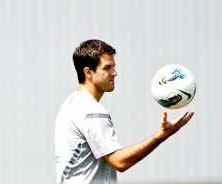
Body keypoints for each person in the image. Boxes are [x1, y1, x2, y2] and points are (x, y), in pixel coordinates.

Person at [55, 39, 194, 184]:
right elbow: (120, 162)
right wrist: (162, 135)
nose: (114, 73)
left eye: (114, 67)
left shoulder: (70, 104)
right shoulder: (91, 112)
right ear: (88, 72)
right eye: (107, 68)